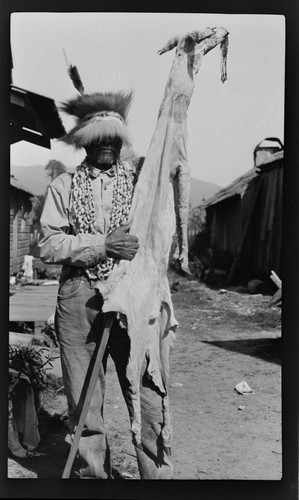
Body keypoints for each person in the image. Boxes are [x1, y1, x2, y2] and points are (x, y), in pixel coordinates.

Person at [39, 86, 174, 479]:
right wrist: (103, 244)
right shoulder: (64, 186)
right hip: (79, 295)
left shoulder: (139, 183)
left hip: (134, 292)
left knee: (147, 388)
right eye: (100, 138)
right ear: (85, 143)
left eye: (116, 137)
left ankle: (157, 477)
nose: (109, 145)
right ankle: (93, 477)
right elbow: (49, 245)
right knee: (84, 394)